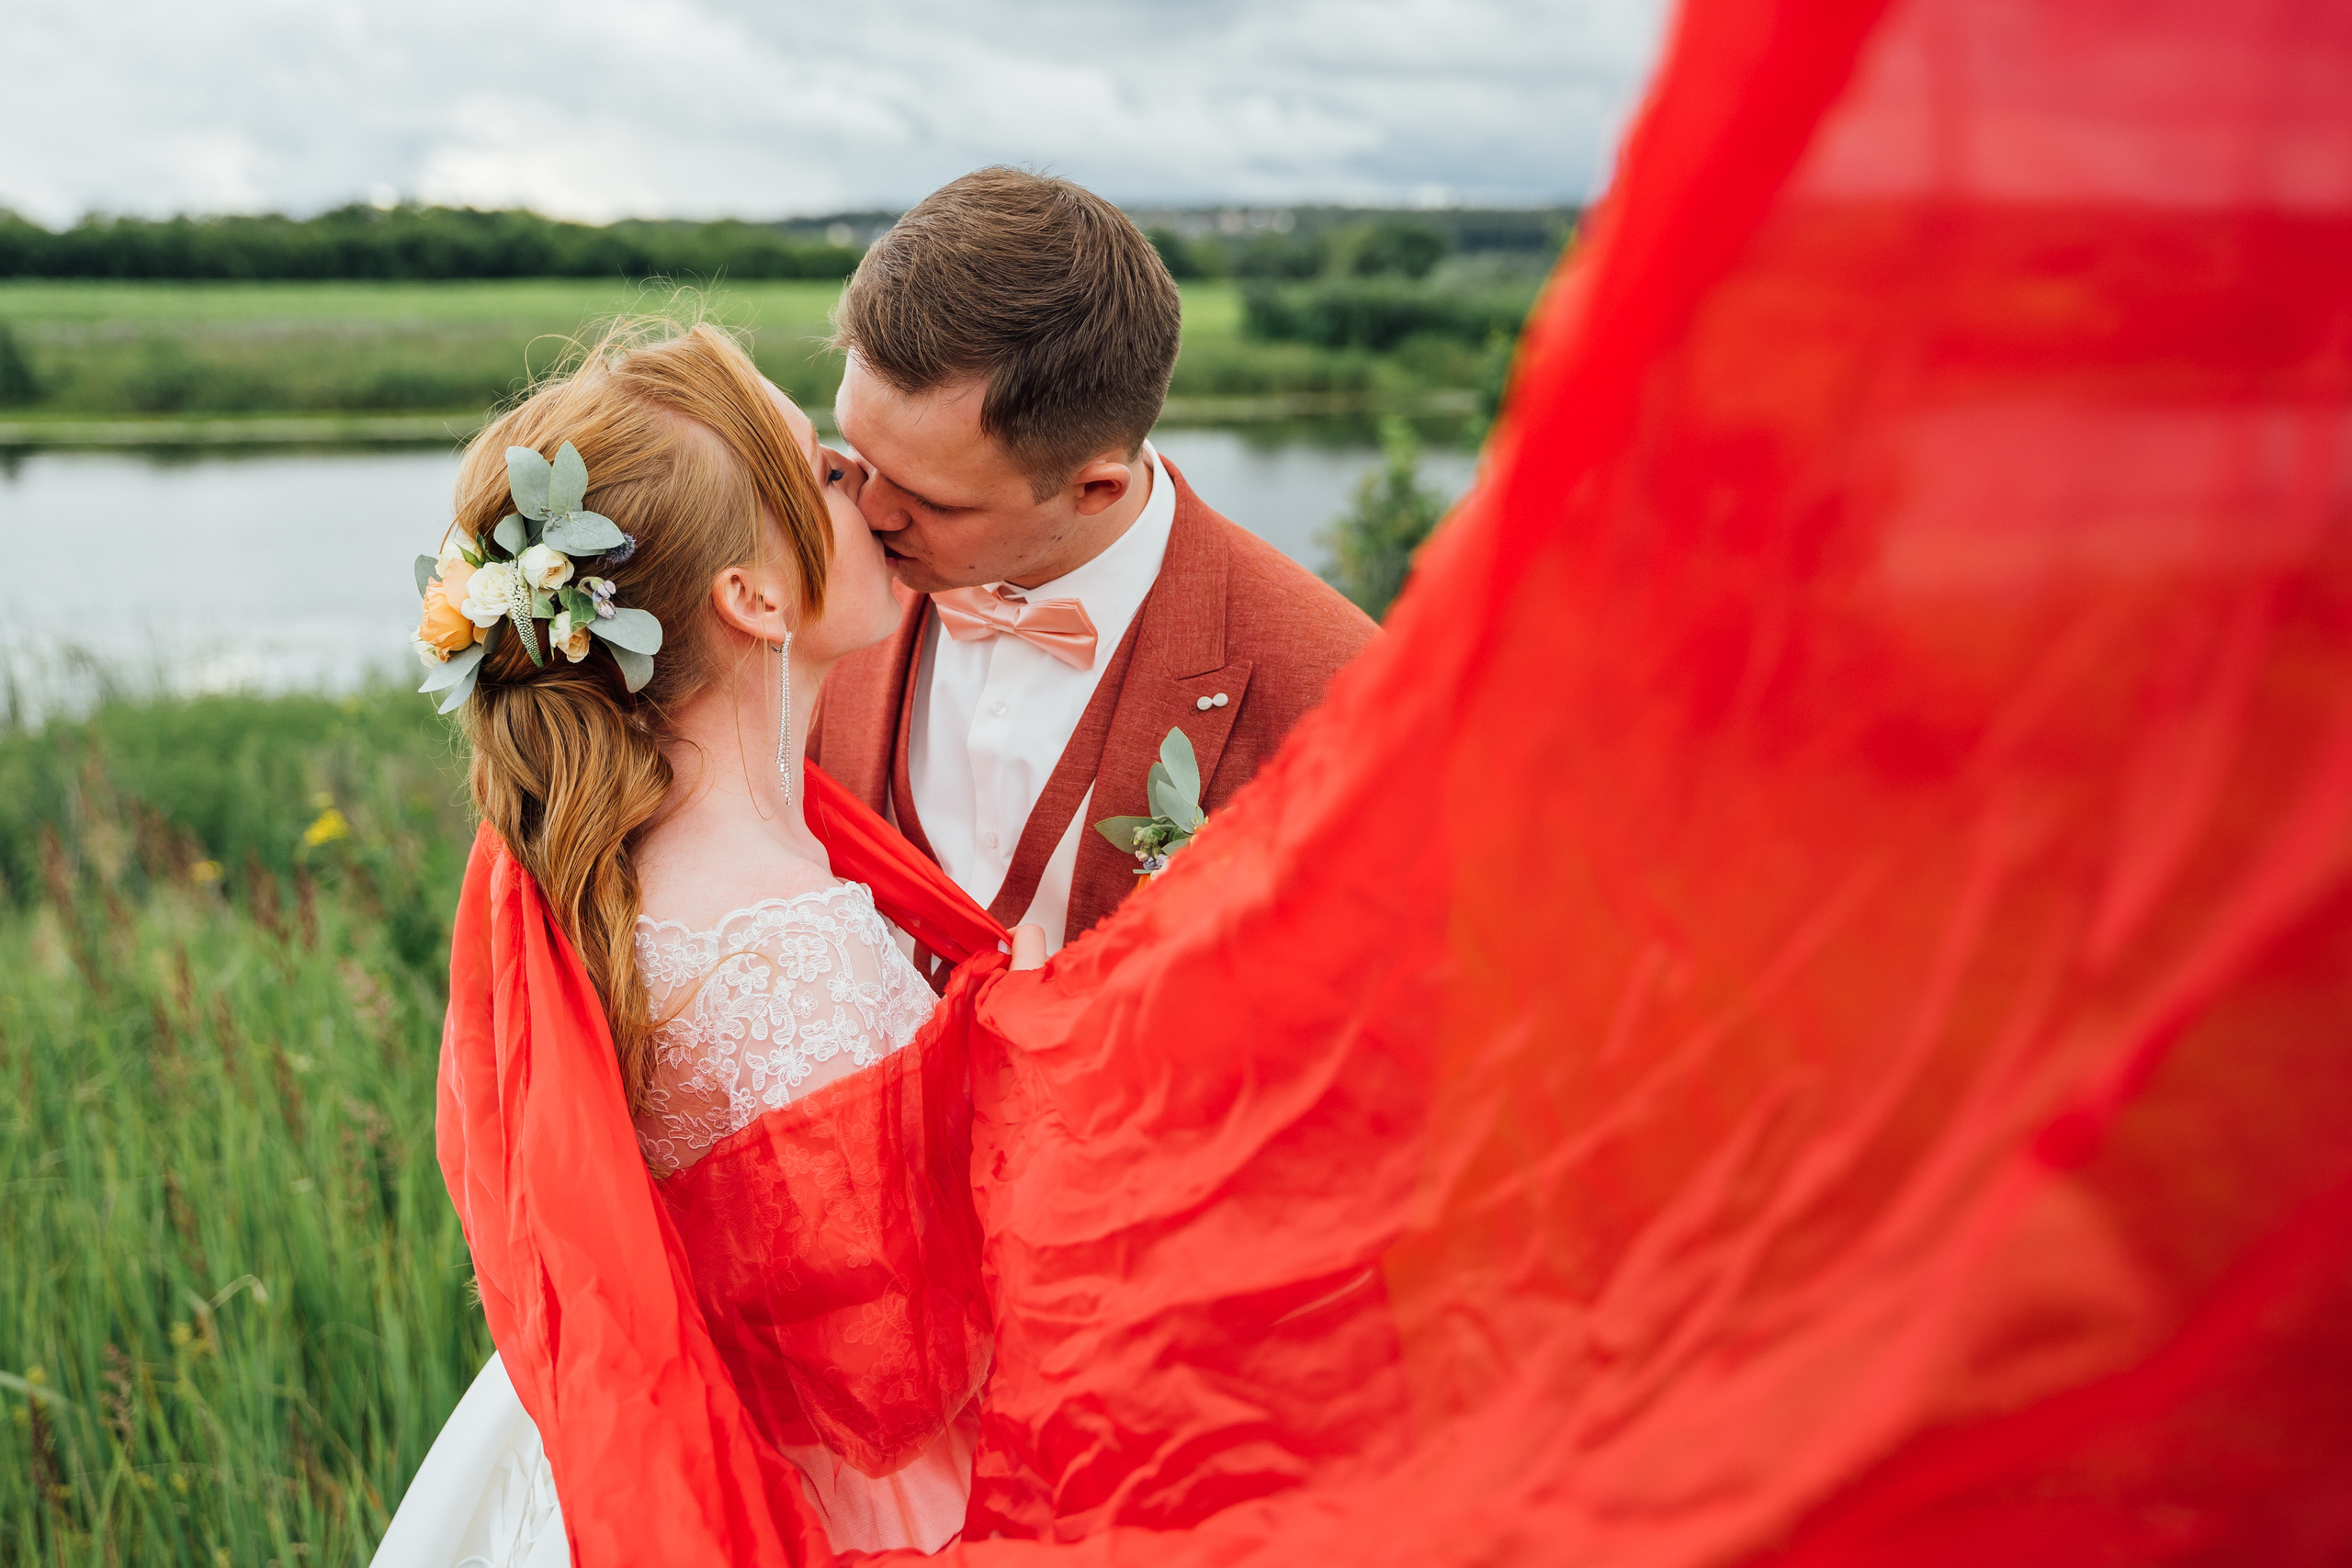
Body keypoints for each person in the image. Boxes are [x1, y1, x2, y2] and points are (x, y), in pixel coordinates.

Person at [375, 321, 1043, 1566]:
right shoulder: (787, 950)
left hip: (599, 1437)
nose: (863, 475)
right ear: (752, 595)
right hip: (825, 1491)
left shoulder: (588, 864)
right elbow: (906, 1373)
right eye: (828, 474)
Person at [810, 168, 1378, 961]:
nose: (867, 514)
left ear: (1096, 487)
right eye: (857, 452)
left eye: (932, 499)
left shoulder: (1338, 694)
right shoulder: (813, 595)